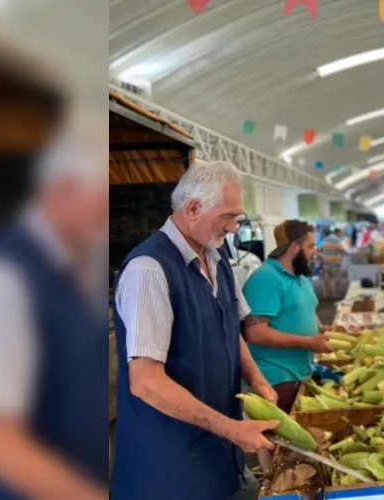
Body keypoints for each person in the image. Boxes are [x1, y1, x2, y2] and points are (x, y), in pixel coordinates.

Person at [0, 126, 110, 499]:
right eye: (101, 202)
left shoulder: (73, 266)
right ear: (62, 189)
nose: (106, 219)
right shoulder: (2, 279)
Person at [112, 161, 279, 499]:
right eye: (228, 216)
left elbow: (230, 329)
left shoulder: (216, 260)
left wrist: (258, 381)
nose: (233, 228)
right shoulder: (150, 270)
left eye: (237, 218)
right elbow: (145, 381)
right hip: (170, 467)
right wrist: (231, 428)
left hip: (218, 454)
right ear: (192, 209)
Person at [242, 220, 334, 414]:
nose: (314, 251)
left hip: (298, 374)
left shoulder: (300, 275)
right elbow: (256, 333)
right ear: (294, 247)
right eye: (310, 246)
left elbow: (306, 308)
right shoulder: (266, 278)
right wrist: (307, 341)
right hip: (274, 380)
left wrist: (321, 328)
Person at [319, 228, 346, 299]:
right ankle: (334, 294)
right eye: (340, 233)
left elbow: (320, 249)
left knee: (326, 279)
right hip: (334, 263)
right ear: (337, 233)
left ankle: (325, 294)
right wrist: (341, 258)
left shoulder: (325, 239)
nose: (341, 235)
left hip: (325, 263)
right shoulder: (337, 240)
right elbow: (342, 250)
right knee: (335, 278)